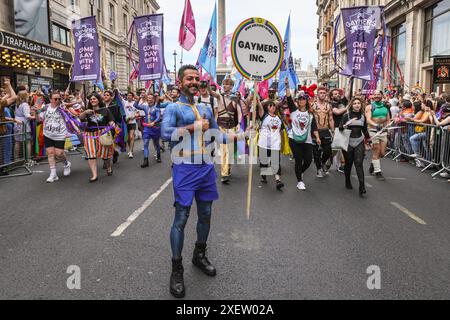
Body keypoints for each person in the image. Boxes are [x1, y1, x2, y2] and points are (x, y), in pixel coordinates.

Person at [161, 65, 250, 299]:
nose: (194, 81)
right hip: (184, 168)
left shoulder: (205, 107)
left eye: (197, 79)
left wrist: (240, 136)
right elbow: (166, 133)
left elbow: (215, 136)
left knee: (206, 214)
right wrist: (192, 127)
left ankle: (199, 255)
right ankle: (176, 268)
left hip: (206, 168)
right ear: (180, 82)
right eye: (189, 78)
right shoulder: (173, 107)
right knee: (181, 217)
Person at [285, 77, 321, 191]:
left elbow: (314, 127)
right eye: (299, 99)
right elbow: (289, 98)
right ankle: (299, 181)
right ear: (297, 101)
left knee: (309, 160)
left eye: (303, 99)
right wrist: (287, 85)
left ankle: (300, 172)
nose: (301, 101)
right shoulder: (294, 111)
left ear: (306, 100)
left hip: (307, 140)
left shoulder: (310, 114)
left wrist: (318, 137)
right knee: (298, 159)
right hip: (294, 139)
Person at [209, 78, 242, 184]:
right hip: (221, 127)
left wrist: (239, 124)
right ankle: (224, 174)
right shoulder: (220, 96)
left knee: (231, 151)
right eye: (223, 84)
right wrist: (208, 85)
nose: (224, 86)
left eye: (227, 84)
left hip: (232, 127)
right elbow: (212, 93)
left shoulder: (235, 98)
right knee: (224, 151)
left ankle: (227, 169)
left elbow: (239, 112)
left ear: (231, 86)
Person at [79, 93, 116, 182]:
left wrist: (112, 124)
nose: (92, 100)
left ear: (99, 100)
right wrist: (85, 112)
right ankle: (94, 175)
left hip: (103, 133)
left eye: (94, 99)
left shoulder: (105, 110)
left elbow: (111, 121)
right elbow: (80, 118)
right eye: (91, 99)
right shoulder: (87, 111)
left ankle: (108, 166)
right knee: (90, 154)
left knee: (105, 154)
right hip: (89, 134)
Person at [36, 92, 72, 183]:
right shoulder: (45, 108)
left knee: (59, 153)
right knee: (50, 153)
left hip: (60, 134)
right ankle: (53, 174)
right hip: (48, 134)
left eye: (59, 99)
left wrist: (68, 112)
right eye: (55, 99)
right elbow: (39, 120)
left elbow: (71, 117)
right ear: (51, 99)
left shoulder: (62, 108)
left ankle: (66, 164)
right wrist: (36, 112)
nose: (57, 100)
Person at [339, 97, 371, 196]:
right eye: (355, 103)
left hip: (359, 142)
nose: (357, 105)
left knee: (358, 163)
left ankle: (362, 187)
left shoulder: (362, 116)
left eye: (358, 103)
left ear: (361, 105)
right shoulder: (346, 116)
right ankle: (347, 180)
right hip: (348, 142)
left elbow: (365, 130)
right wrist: (344, 126)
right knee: (348, 164)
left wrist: (368, 139)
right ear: (351, 105)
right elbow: (340, 128)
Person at [257, 99, 284, 190]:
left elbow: (280, 131)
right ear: (267, 107)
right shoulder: (264, 115)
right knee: (263, 163)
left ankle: (278, 180)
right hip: (264, 144)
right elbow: (259, 106)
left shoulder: (278, 118)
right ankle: (264, 175)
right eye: (270, 105)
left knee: (275, 162)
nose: (272, 107)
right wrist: (256, 97)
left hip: (275, 144)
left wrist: (281, 142)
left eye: (274, 105)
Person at [366, 90, 391, 180]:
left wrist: (388, 128)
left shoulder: (385, 106)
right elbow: (368, 119)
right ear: (373, 96)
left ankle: (373, 163)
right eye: (375, 94)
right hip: (373, 131)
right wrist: (376, 125)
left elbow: (388, 119)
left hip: (383, 132)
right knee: (376, 151)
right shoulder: (370, 107)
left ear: (381, 95)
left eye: (378, 94)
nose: (376, 95)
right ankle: (378, 172)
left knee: (382, 153)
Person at [312, 87, 334, 177]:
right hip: (315, 130)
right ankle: (319, 169)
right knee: (316, 151)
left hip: (325, 130)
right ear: (317, 94)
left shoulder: (328, 106)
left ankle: (322, 162)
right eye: (320, 93)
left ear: (326, 95)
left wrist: (332, 130)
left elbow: (331, 118)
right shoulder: (312, 105)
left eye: (324, 93)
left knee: (328, 150)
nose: (322, 94)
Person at [135, 92, 162, 167]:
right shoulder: (145, 107)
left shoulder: (156, 108)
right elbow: (135, 105)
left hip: (155, 128)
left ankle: (159, 156)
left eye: (150, 98)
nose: (148, 99)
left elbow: (158, 117)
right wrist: (139, 97)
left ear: (153, 99)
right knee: (145, 143)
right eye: (148, 98)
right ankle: (146, 160)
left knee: (156, 144)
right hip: (147, 128)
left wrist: (154, 122)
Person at [0, 79, 17, 176]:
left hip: (4, 128)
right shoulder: (1, 103)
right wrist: (9, 85)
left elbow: (9, 95)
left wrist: (7, 87)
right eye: (1, 93)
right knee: (5, 148)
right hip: (2, 129)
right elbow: (14, 96)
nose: (3, 94)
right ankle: (4, 167)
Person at [14, 90, 35, 162]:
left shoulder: (17, 104)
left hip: (17, 124)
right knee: (27, 142)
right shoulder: (25, 104)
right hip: (24, 124)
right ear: (24, 96)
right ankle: (28, 159)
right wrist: (34, 116)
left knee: (17, 142)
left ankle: (16, 159)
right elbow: (27, 116)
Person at [330, 88, 347, 173]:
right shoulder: (332, 104)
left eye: (338, 93)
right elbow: (337, 112)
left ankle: (338, 164)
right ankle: (338, 164)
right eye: (335, 94)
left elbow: (348, 94)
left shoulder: (342, 102)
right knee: (338, 147)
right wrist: (347, 107)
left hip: (345, 127)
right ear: (332, 96)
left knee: (341, 147)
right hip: (336, 127)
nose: (337, 95)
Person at [124, 92, 138, 159]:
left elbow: (138, 113)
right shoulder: (124, 102)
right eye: (128, 95)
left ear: (132, 97)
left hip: (133, 122)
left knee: (131, 136)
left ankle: (130, 152)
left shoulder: (135, 104)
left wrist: (134, 117)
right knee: (128, 138)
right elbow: (118, 96)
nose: (129, 96)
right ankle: (130, 148)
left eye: (130, 95)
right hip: (125, 122)